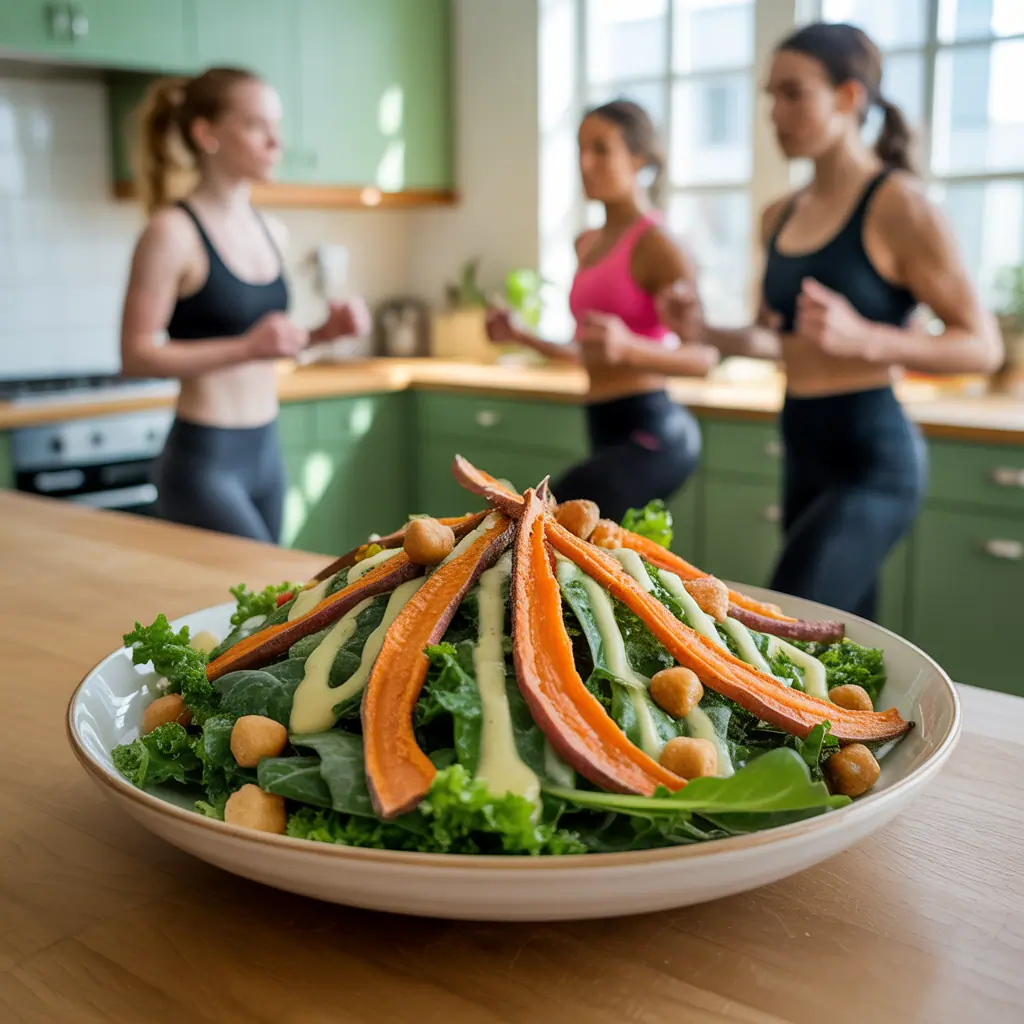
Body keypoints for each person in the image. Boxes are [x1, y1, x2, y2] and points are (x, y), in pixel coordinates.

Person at [658, 23, 1002, 620]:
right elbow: (778, 338)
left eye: (792, 94)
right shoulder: (779, 215)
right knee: (848, 643)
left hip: (875, 458)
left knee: (781, 627)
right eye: (770, 95)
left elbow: (983, 347)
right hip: (802, 446)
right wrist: (707, 331)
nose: (774, 112)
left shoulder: (899, 204)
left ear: (849, 98)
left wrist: (865, 337)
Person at [120, 67, 371, 543]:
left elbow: (269, 345)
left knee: (264, 610)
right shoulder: (171, 233)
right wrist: (246, 347)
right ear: (206, 133)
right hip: (204, 460)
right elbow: (136, 354)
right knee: (254, 606)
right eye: (256, 125)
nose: (275, 142)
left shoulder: (272, 231)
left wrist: (323, 334)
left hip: (266, 451)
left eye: (277, 126)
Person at [486, 100, 718, 523]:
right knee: (605, 558)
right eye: (580, 149)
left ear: (638, 159)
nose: (586, 163)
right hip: (602, 424)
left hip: (653, 431)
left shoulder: (658, 244)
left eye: (601, 149)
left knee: (545, 519)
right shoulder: (588, 243)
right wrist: (522, 337)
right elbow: (587, 350)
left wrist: (628, 348)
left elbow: (704, 357)